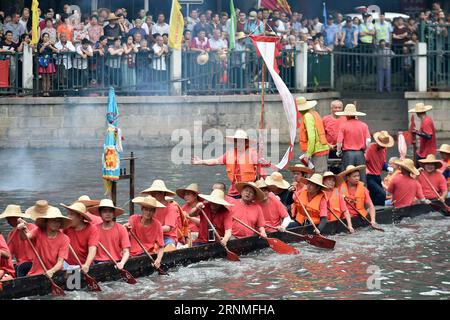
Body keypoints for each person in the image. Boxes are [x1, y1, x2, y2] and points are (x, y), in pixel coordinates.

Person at [192, 129, 268, 198]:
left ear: (246, 142)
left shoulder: (252, 152)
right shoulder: (229, 153)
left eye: (241, 141)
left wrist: (261, 161)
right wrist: (201, 161)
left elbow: (259, 161)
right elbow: (216, 161)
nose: (238, 143)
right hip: (234, 189)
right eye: (236, 141)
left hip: (248, 188)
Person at [18, 200, 71, 277]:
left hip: (56, 273)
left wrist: (52, 271)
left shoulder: (65, 239)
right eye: (53, 220)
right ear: (47, 222)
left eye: (58, 221)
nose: (57, 224)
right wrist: (21, 229)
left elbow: (60, 262)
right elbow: (24, 237)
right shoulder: (38, 231)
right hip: (36, 273)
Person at [123, 196, 165, 269]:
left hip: (147, 254)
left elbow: (161, 247)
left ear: (154, 212)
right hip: (131, 254)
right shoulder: (133, 219)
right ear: (142, 209)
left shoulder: (157, 225)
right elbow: (124, 236)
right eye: (146, 209)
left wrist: (158, 260)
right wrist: (125, 228)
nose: (148, 213)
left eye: (151, 210)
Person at [89, 199, 130, 268]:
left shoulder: (121, 229)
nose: (107, 214)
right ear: (100, 213)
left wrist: (122, 263)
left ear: (113, 213)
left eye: (110, 211)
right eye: (104, 211)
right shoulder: (94, 229)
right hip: (97, 263)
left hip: (116, 262)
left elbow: (126, 251)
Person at [336, 104, 371, 184]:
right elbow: (368, 140)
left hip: (348, 154)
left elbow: (339, 143)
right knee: (361, 176)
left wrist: (338, 152)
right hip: (360, 154)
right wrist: (365, 150)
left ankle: (346, 195)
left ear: (346, 115)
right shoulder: (363, 125)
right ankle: (362, 194)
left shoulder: (343, 125)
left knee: (346, 176)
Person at [140, 180, 180, 250]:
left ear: (163, 193)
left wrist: (150, 229)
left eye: (157, 192)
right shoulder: (150, 207)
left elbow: (168, 228)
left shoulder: (171, 208)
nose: (154, 195)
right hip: (152, 235)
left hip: (167, 237)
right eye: (153, 193)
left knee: (169, 246)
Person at [296, 96, 330, 174]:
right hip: (322, 148)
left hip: (317, 150)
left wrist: (308, 153)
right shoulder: (315, 113)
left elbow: (312, 137)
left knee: (318, 175)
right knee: (320, 174)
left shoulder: (308, 116)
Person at [61, 202, 98, 273]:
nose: (68, 217)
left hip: (84, 265)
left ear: (80, 217)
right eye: (68, 214)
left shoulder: (92, 229)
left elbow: (92, 248)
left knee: (75, 282)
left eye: (71, 214)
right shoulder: (66, 227)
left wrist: (87, 265)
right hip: (67, 264)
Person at [0, 205, 36, 277]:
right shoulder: (11, 234)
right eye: (7, 218)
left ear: (18, 218)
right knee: (17, 268)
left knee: (21, 268)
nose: (8, 221)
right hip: (21, 264)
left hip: (34, 263)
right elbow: (9, 255)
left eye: (10, 218)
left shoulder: (33, 227)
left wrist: (24, 228)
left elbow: (37, 241)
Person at [365, 131, 395, 205]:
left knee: (374, 196)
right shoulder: (370, 148)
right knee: (381, 194)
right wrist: (366, 170)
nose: (383, 146)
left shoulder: (384, 149)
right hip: (369, 176)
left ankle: (375, 212)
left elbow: (382, 164)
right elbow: (363, 161)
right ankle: (377, 211)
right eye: (382, 145)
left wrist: (388, 167)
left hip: (377, 176)